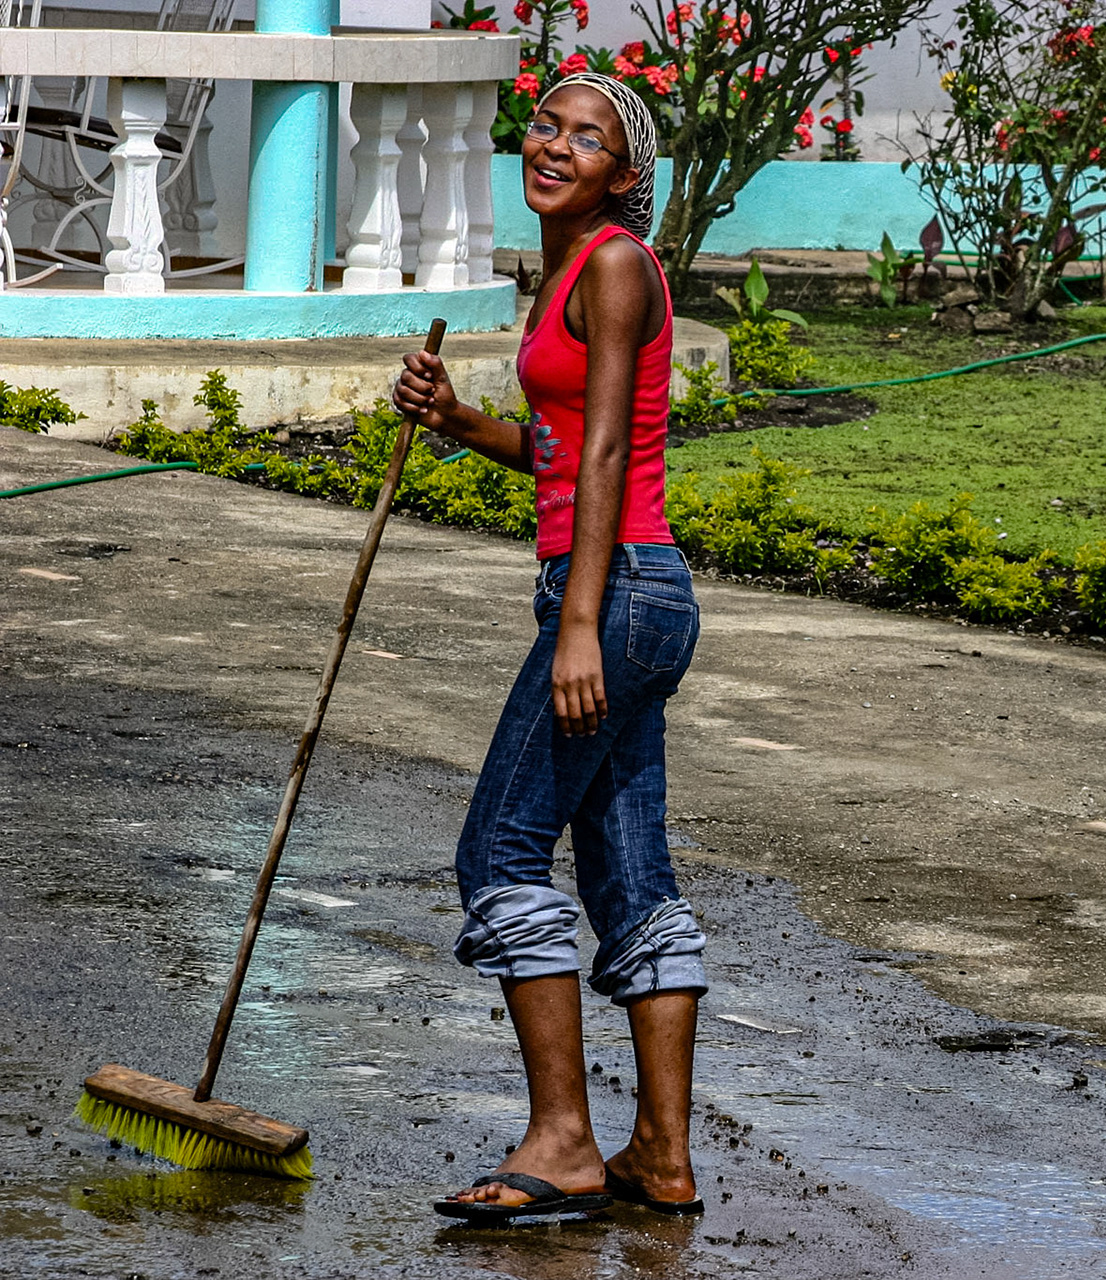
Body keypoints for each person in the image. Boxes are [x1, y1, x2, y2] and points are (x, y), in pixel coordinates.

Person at [394, 73, 705, 1224]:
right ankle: (660, 1156)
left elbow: (617, 448)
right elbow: (563, 447)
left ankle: (565, 1140)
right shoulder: (566, 272)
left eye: (589, 138)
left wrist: (577, 624)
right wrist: (457, 422)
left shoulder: (617, 261)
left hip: (616, 591)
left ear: (624, 176)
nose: (556, 145)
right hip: (629, 590)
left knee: (501, 847)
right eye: (547, 125)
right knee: (631, 872)